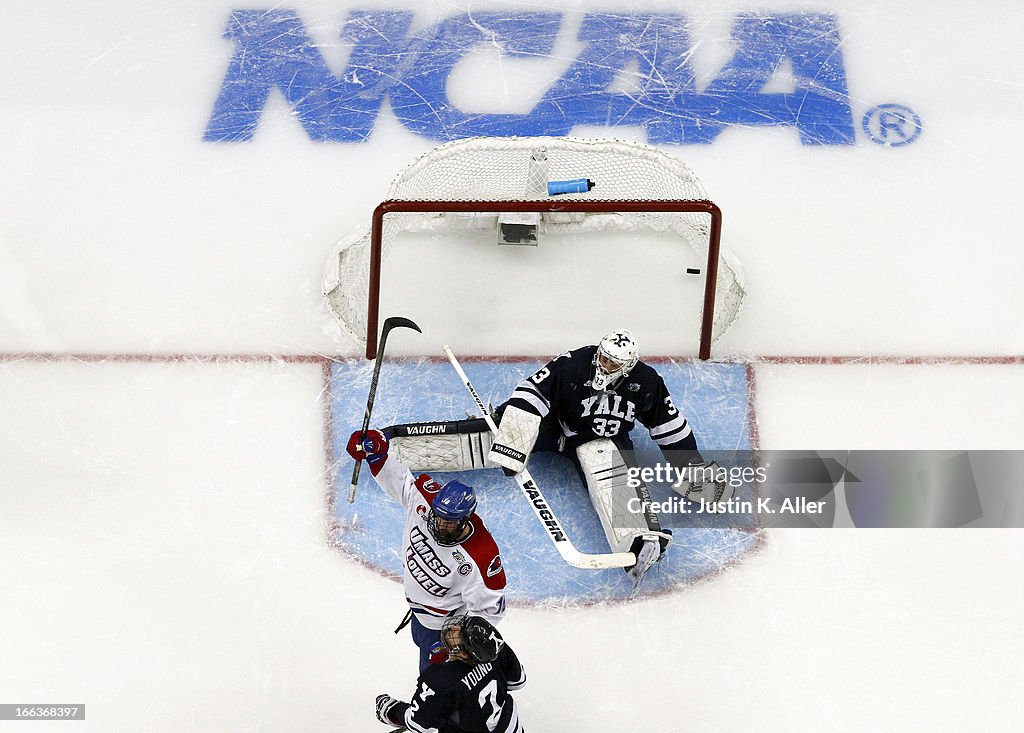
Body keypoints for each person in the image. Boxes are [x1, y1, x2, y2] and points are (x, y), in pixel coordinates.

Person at [485, 329, 724, 586]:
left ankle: (638, 541)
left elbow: (669, 426)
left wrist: (692, 470)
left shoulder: (646, 381)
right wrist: (512, 440)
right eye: (603, 358)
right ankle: (476, 433)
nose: (605, 365)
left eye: (613, 363)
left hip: (604, 441)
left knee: (614, 482)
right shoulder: (573, 362)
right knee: (509, 423)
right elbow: (532, 391)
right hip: (559, 430)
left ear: (628, 365)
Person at [346, 429, 507, 672]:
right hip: (420, 614)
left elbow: (488, 612)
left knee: (439, 685)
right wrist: (375, 454)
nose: (440, 524)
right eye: (439, 515)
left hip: (446, 630)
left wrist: (461, 643)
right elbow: (401, 482)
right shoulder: (425, 500)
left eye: (449, 521)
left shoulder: (481, 555)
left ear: (465, 519)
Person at [374, 614, 526, 733]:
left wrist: (393, 710)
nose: (454, 627)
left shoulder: (440, 680)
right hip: (510, 727)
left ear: (465, 655)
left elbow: (420, 724)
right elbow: (518, 681)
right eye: (461, 626)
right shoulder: (493, 648)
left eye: (459, 635)